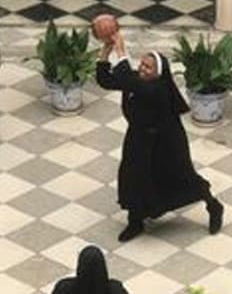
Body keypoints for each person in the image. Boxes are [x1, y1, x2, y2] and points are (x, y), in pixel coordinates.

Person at [96, 29, 224, 242]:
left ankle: (213, 205)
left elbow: (127, 79)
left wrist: (121, 51)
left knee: (182, 177)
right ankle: (135, 221)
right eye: (142, 65)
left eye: (148, 67)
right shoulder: (136, 80)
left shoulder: (157, 89)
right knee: (134, 177)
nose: (143, 70)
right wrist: (105, 52)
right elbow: (106, 81)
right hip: (138, 138)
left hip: (166, 142)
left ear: (159, 72)